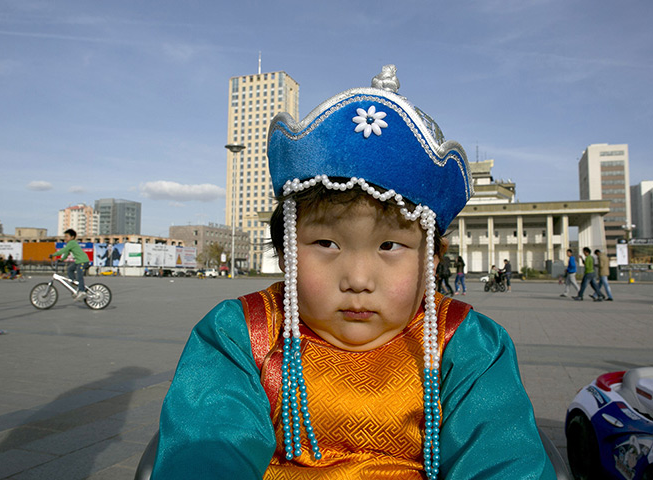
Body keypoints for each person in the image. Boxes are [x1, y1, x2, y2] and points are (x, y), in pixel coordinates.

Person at [151, 66, 553, 479]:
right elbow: (207, 446)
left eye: (390, 246)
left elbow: (502, 458)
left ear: (431, 259)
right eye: (326, 244)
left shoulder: (466, 345)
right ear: (287, 254)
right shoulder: (242, 334)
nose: (358, 279)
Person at [50, 229, 90, 301]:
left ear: (72, 237)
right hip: (78, 261)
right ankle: (75, 284)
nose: (65, 238)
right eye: (65, 237)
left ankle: (82, 291)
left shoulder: (72, 243)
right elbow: (66, 253)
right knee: (70, 269)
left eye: (67, 236)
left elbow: (64, 250)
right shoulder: (70, 244)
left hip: (83, 261)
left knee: (79, 274)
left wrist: (53, 254)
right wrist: (62, 259)